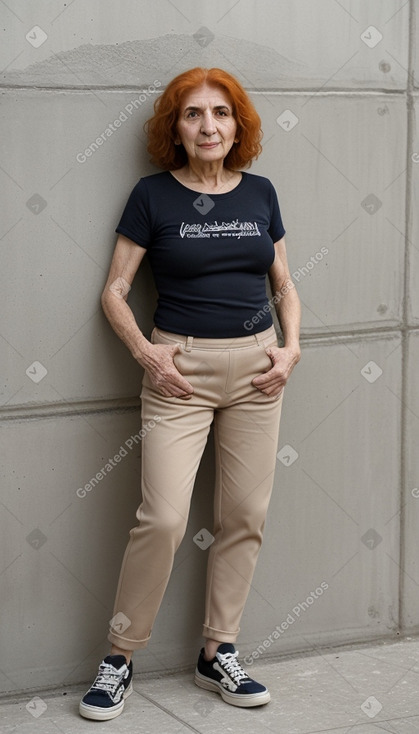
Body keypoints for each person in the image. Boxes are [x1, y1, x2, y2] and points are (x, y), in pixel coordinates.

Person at [79, 66, 301, 721]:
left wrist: (291, 348)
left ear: (238, 125)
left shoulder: (259, 193)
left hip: (259, 372)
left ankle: (217, 653)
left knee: (243, 517)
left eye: (221, 114)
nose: (208, 126)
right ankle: (119, 656)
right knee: (164, 519)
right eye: (193, 115)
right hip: (181, 374)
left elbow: (283, 283)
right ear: (174, 128)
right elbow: (115, 292)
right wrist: (146, 354)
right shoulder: (152, 196)